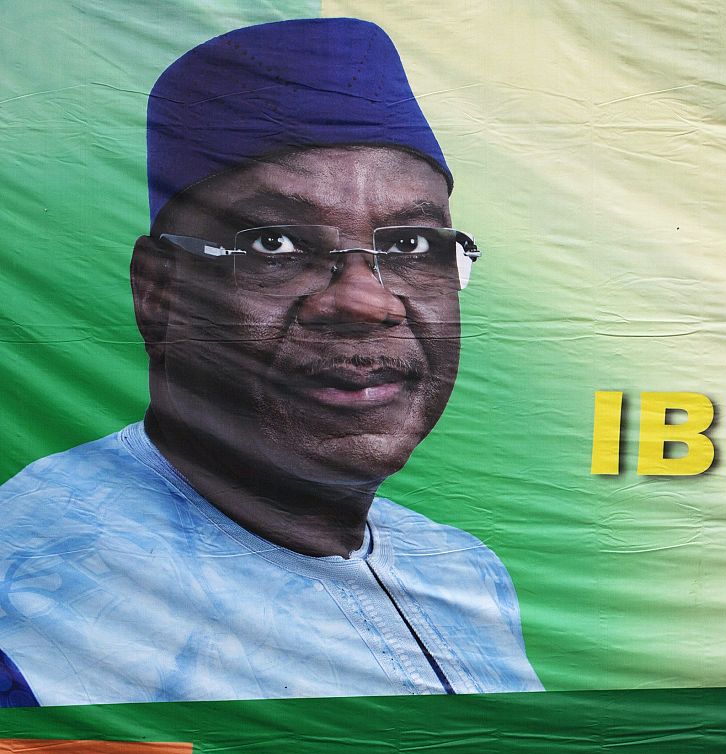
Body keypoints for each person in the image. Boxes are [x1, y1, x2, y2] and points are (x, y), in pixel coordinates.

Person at [0, 19, 540, 706]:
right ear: (159, 292)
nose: (367, 302)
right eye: (277, 245)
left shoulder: (463, 571)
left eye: (409, 244)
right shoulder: (35, 602)